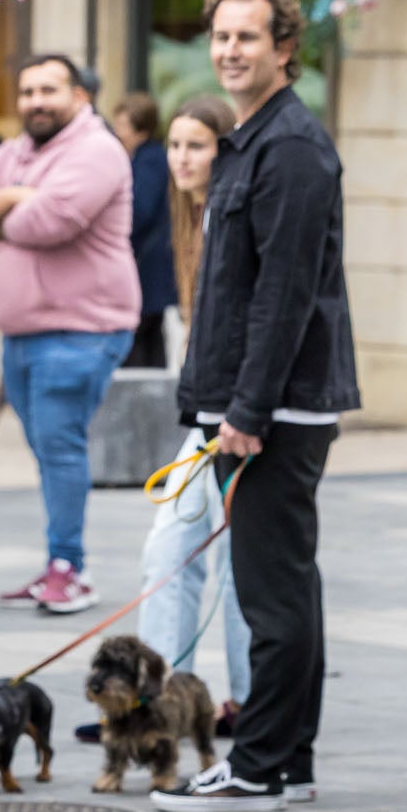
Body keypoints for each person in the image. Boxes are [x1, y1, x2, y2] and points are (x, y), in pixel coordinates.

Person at [151, 0, 359, 812]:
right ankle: (290, 761)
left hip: (275, 410)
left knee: (272, 593)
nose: (231, 50)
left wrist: (245, 411)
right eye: (222, 36)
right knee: (285, 586)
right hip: (257, 403)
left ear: (284, 47)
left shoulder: (292, 150)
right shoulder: (253, 139)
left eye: (249, 36)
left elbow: (285, 296)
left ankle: (262, 765)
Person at [0, 52, 139, 615]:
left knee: (59, 446)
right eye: (27, 92)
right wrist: (9, 200)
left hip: (80, 329)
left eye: (49, 90)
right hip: (24, 332)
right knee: (50, 450)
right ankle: (62, 560)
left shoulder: (96, 150)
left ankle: (69, 569)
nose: (35, 102)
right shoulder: (21, 153)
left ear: (81, 97)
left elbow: (48, 222)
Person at [79, 96, 251, 748]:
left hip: (236, 416)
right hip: (206, 412)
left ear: (225, 150)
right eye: (176, 144)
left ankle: (243, 701)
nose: (182, 157)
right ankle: (154, 701)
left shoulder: (236, 216)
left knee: (236, 561)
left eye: (197, 145)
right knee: (169, 550)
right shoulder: (193, 218)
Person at [112, 92, 172, 369]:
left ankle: (142, 406)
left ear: (142, 129)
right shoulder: (143, 157)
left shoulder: (149, 161)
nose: (117, 132)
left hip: (146, 270)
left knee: (138, 343)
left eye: (123, 125)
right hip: (148, 270)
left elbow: (138, 211)